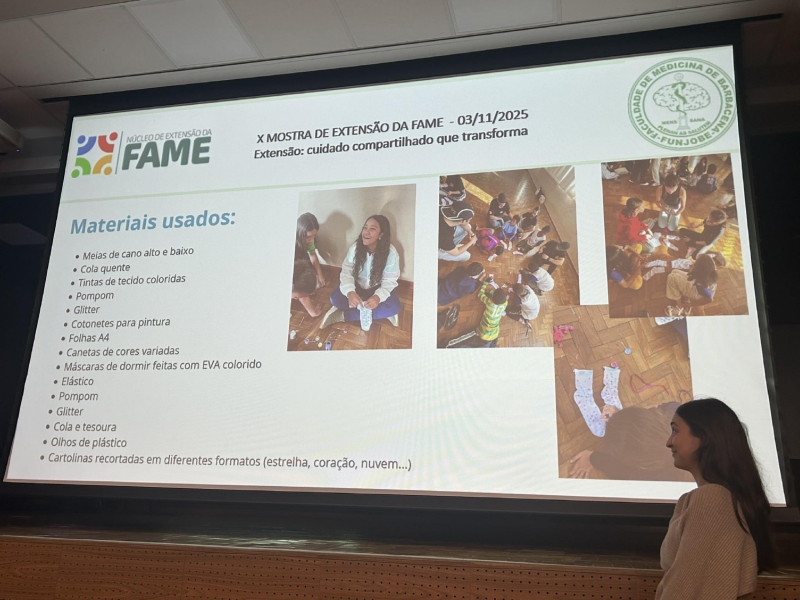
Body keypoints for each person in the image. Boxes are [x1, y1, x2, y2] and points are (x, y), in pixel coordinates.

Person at [656, 398, 776, 599]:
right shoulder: (708, 498)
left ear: (703, 437)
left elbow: (688, 589)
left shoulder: (712, 499)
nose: (669, 442)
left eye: (675, 431)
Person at [568, 403, 692, 481]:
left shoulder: (649, 481)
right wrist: (624, 419)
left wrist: (592, 458)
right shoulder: (677, 411)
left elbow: (621, 472)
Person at [321, 215, 401, 328]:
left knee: (394, 307)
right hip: (357, 288)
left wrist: (378, 297)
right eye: (365, 228)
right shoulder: (355, 248)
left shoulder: (391, 253)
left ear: (381, 235)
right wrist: (350, 292)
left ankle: (344, 316)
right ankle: (379, 313)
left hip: (377, 288)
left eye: (372, 229)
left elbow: (390, 281)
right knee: (335, 299)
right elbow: (346, 272)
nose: (366, 232)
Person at [447, 283, 507, 348]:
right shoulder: (505, 304)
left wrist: (485, 284)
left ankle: (447, 345)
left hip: (484, 334)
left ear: (492, 298)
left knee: (461, 341)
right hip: (494, 336)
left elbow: (480, 294)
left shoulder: (489, 302)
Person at [295, 213, 327, 288]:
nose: (312, 240)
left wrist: (320, 274)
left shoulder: (310, 240)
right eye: (308, 237)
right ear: (300, 233)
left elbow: (312, 254)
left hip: (302, 260)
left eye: (314, 236)